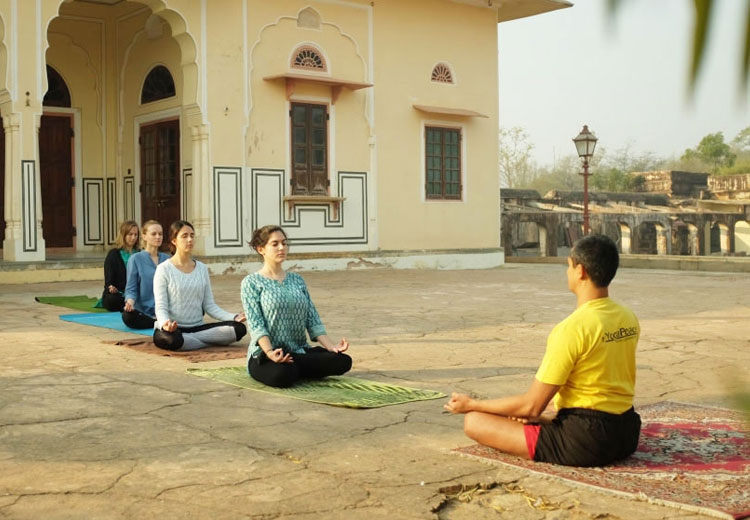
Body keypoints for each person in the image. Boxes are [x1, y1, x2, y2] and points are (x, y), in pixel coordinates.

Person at [445, 234, 641, 467]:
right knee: (539, 409)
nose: (567, 273)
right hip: (627, 433)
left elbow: (531, 406)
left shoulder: (572, 328)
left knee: (475, 421)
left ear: (580, 271)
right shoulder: (628, 317)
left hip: (587, 440)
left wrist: (472, 404)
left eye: (568, 267)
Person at [241, 225, 352, 388]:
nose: (282, 248)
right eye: (275, 244)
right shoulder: (251, 283)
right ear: (261, 249)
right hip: (265, 355)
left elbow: (311, 317)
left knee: (343, 361)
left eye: (284, 243)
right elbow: (256, 324)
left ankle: (297, 364)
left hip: (298, 350)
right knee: (282, 375)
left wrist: (331, 346)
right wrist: (270, 353)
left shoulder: (297, 280)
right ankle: (297, 367)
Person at [153, 220, 247, 351]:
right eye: (184, 236)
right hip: (173, 329)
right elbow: (160, 307)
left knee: (239, 329)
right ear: (174, 240)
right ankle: (205, 341)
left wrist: (233, 317)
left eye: (192, 235)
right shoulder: (163, 269)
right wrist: (165, 325)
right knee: (170, 339)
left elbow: (209, 305)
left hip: (198, 327)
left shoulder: (202, 268)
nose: (190, 239)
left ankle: (192, 340)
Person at [122, 220, 170, 329]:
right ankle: (157, 323)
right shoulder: (135, 259)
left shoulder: (167, 260)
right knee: (127, 316)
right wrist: (130, 303)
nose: (158, 237)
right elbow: (131, 288)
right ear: (144, 236)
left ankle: (161, 320)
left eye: (160, 234)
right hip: (144, 312)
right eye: (154, 234)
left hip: (165, 310)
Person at [100, 220, 140, 312]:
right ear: (123, 235)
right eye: (130, 234)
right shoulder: (114, 254)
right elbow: (109, 282)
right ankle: (130, 305)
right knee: (111, 300)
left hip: (136, 293)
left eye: (135, 234)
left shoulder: (140, 254)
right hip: (119, 293)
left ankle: (131, 304)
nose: (133, 238)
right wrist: (112, 288)